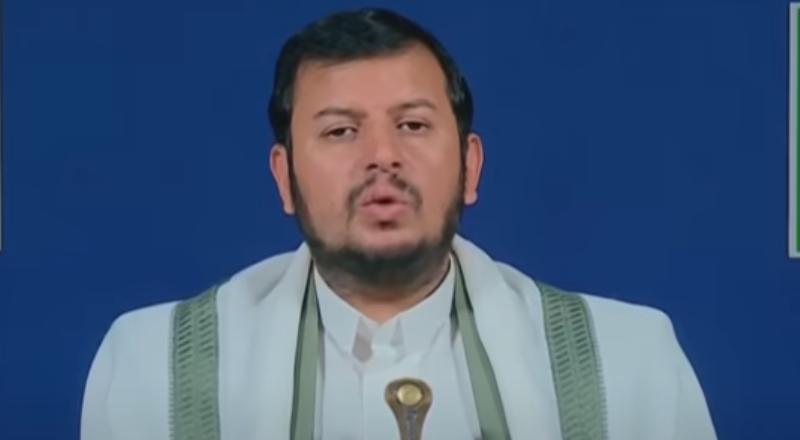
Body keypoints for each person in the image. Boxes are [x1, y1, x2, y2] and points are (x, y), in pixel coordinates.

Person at [80, 7, 718, 440]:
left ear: (470, 166)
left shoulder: (629, 365)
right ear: (284, 178)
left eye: (412, 124)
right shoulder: (153, 370)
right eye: (341, 131)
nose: (382, 155)